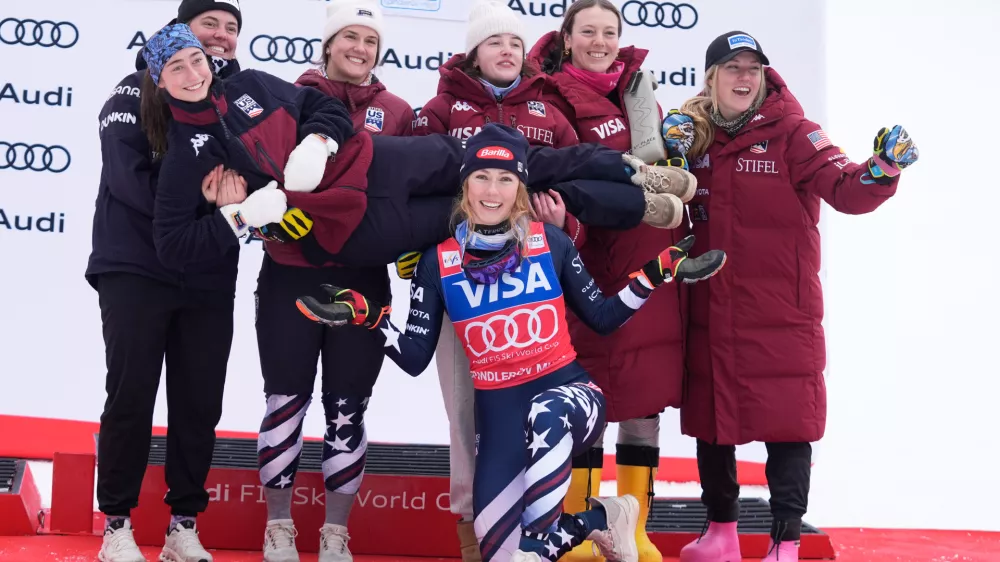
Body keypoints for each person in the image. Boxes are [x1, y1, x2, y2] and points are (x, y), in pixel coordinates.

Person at [294, 125, 727, 562]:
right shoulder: (437, 263)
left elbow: (603, 317)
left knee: (546, 424)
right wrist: (366, 317)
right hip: (501, 422)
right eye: (482, 177)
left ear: (520, 188)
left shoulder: (549, 242)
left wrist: (655, 274)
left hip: (571, 400)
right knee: (499, 552)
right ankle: (599, 520)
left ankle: (540, 545)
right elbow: (413, 359)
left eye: (505, 179)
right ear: (464, 186)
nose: (492, 190)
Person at [409, 4, 694, 559]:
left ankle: (642, 188)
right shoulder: (443, 107)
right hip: (460, 275)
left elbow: (574, 166)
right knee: (466, 413)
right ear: (473, 51)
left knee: (543, 403)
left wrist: (574, 226)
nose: (506, 51)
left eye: (513, 43)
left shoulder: (544, 105)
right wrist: (397, 279)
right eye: (493, 43)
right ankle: (479, 530)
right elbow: (421, 184)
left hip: (535, 261)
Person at [671, 31, 919, 562]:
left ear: (764, 77)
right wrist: (668, 155)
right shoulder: (694, 134)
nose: (743, 77)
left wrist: (883, 169)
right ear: (711, 77)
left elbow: (846, 188)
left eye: (753, 69)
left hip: (779, 313)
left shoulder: (795, 134)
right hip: (708, 308)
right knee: (713, 423)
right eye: (732, 68)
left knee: (786, 424)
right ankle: (721, 534)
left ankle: (784, 543)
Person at [528, 2, 694, 559]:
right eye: (588, 32)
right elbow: (554, 176)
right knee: (589, 398)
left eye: (609, 32)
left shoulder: (640, 90)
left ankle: (635, 530)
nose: (600, 41)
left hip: (649, 259)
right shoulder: (548, 95)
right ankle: (581, 528)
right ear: (567, 38)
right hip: (587, 260)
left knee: (644, 402)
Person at [251, 3, 414, 561]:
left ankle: (335, 533)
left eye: (370, 40)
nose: (360, 48)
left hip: (362, 280)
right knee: (285, 403)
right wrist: (270, 220)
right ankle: (279, 528)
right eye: (350, 36)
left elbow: (406, 193)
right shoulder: (285, 97)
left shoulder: (396, 111)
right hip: (290, 274)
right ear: (327, 44)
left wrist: (411, 246)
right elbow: (257, 175)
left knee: (348, 406)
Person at [84, 2, 244, 561]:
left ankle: (183, 525)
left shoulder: (233, 102)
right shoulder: (130, 94)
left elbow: (245, 180)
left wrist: (228, 210)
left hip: (208, 273)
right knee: (130, 394)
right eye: (209, 27)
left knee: (200, 400)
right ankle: (117, 526)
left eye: (230, 29)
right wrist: (195, 206)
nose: (220, 38)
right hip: (135, 266)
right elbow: (130, 184)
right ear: (177, 34)